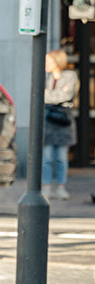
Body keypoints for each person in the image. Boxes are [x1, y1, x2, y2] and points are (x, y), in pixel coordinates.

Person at [42, 49, 78, 200]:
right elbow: (41, 95)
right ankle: (47, 187)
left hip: (63, 122)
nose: (46, 64)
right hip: (49, 123)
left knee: (61, 157)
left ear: (57, 61)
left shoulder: (70, 76)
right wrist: (55, 96)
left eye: (48, 61)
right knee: (47, 157)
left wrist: (50, 96)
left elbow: (67, 94)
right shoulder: (46, 77)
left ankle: (61, 188)